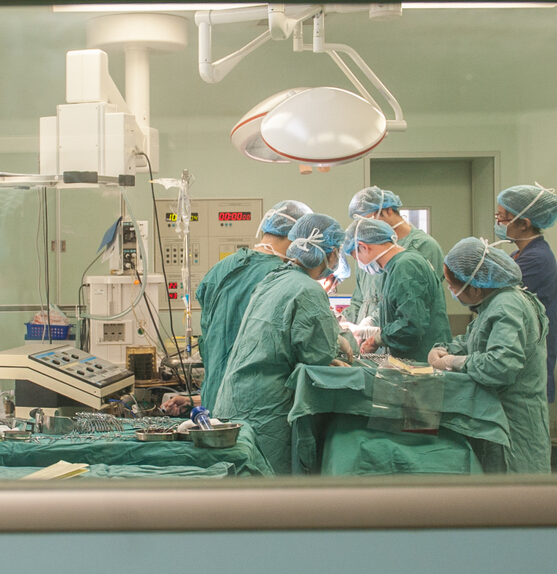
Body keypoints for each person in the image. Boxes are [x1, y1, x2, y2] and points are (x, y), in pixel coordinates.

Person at [213, 213, 351, 474]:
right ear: (331, 253)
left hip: (235, 401)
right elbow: (317, 356)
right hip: (266, 411)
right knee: (268, 490)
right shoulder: (309, 289)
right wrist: (335, 346)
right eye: (338, 252)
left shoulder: (273, 278)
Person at [163, 200, 312, 416]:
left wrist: (195, 400)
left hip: (216, 402)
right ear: (298, 238)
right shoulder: (286, 278)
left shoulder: (219, 270)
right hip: (261, 409)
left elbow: (216, 348)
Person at [429, 237, 551, 473]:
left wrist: (454, 362)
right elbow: (474, 341)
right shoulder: (494, 302)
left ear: (476, 287)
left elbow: (501, 365)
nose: (451, 291)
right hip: (499, 417)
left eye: (453, 286)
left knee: (514, 489)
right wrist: (444, 350)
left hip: (514, 423)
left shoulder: (507, 305)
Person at [342, 217, 451, 361]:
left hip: (423, 362)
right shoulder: (396, 266)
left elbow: (411, 325)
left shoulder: (406, 266)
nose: (359, 263)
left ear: (363, 247)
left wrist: (377, 339)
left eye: (356, 258)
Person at [495, 183, 557, 403]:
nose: (498, 222)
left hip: (529, 353)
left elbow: (495, 297)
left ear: (524, 224)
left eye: (502, 217)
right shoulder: (518, 255)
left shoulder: (536, 259)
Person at [343, 186, 445, 325]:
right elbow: (359, 301)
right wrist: (342, 321)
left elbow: (413, 305)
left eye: (369, 220)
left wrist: (373, 323)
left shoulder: (424, 246)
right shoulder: (365, 252)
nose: (365, 227)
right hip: (373, 335)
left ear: (388, 210)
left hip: (403, 334)